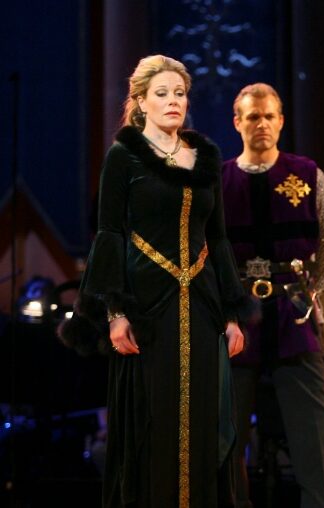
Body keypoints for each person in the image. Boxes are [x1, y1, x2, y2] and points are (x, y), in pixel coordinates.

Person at [59, 54, 246, 507]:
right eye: (161, 94)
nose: (173, 101)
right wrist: (116, 312)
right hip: (146, 307)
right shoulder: (124, 156)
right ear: (140, 102)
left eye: (179, 93)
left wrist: (232, 314)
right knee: (153, 418)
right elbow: (110, 234)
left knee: (202, 418)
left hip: (201, 306)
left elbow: (217, 237)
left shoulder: (205, 157)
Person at [221, 83, 324, 508]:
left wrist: (312, 292)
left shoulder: (307, 174)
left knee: (316, 439)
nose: (262, 124)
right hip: (236, 318)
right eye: (253, 116)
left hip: (294, 313)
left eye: (270, 116)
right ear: (237, 122)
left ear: (282, 121)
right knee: (225, 437)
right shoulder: (218, 182)